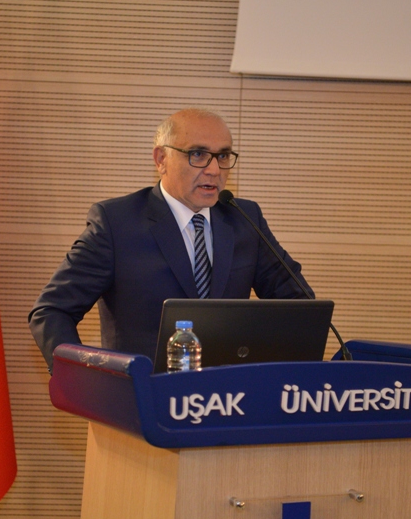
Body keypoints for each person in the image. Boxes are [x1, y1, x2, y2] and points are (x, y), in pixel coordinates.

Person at [28, 108, 313, 369]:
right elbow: (51, 311)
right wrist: (85, 381)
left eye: (223, 156)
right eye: (198, 154)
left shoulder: (244, 219)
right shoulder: (116, 223)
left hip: (227, 398)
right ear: (161, 159)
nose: (214, 170)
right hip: (140, 399)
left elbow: (300, 307)